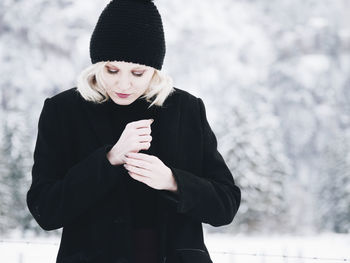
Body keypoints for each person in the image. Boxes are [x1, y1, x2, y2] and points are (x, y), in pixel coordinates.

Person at [26, 0, 241, 262]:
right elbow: (46, 210)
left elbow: (226, 205)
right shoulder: (63, 111)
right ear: (96, 63)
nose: (123, 83)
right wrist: (109, 159)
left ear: (155, 70)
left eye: (138, 73)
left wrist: (172, 181)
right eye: (112, 69)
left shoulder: (186, 109)